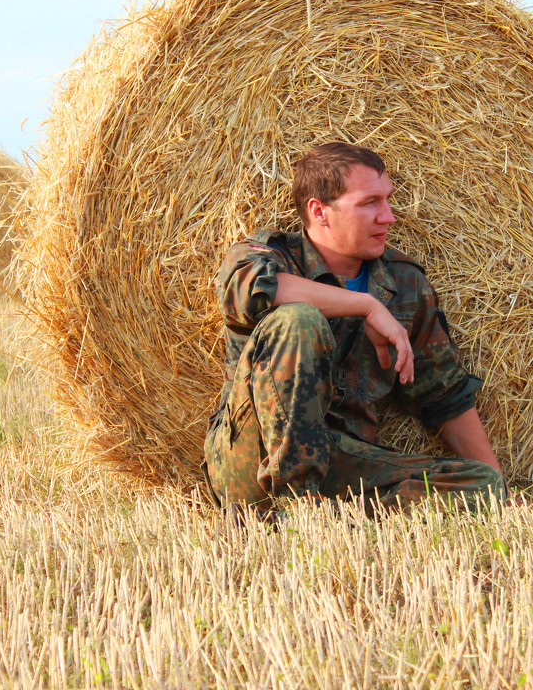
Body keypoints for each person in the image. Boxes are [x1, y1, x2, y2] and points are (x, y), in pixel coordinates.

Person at [203, 142, 505, 514]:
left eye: (388, 200)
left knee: (483, 486)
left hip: (339, 458)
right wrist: (365, 305)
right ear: (320, 212)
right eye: (370, 203)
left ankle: (338, 521)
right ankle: (298, 508)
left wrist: (501, 492)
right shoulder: (270, 256)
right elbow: (248, 292)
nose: (389, 216)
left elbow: (442, 395)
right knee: (299, 319)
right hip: (252, 458)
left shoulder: (404, 284)